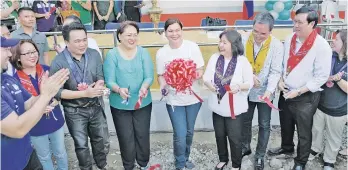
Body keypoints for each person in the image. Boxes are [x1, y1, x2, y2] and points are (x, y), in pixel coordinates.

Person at [267, 6, 332, 170]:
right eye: (294, 21)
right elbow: (284, 63)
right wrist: (281, 79)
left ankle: (301, 161)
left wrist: (300, 91)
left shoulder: (322, 46)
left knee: (303, 131)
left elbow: (321, 77)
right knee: (285, 123)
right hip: (286, 91)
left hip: (305, 96)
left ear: (312, 24)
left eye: (300, 22)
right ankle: (287, 147)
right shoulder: (290, 38)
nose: (295, 25)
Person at [1, 36, 69, 170]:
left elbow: (29, 101)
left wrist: (49, 94)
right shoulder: (16, 77)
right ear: (18, 57)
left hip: (27, 155)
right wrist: (45, 97)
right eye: (5, 49)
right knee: (44, 156)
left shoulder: (7, 80)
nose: (9, 54)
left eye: (34, 51)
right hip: (9, 161)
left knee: (60, 152)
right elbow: (18, 128)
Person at [49, 22, 109, 170]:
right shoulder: (59, 62)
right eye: (77, 41)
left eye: (84, 39)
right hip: (74, 111)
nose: (82, 44)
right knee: (81, 145)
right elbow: (57, 92)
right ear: (67, 42)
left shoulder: (94, 54)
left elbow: (100, 76)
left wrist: (99, 84)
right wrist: (84, 93)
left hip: (95, 106)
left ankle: (102, 165)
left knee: (100, 140)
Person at [103, 21, 154, 170]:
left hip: (142, 102)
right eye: (128, 35)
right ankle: (128, 165)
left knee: (142, 135)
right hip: (120, 104)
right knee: (126, 138)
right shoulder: (112, 54)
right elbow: (109, 80)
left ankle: (143, 163)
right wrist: (118, 89)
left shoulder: (143, 52)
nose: (132, 38)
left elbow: (149, 76)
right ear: (120, 36)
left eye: (135, 35)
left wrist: (145, 87)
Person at [156, 18, 204, 170]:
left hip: (193, 97)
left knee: (189, 132)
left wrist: (190, 76)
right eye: (170, 31)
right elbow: (161, 75)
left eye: (177, 30)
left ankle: (186, 157)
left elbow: (200, 69)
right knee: (180, 134)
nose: (174, 34)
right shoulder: (161, 53)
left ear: (182, 31)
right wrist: (163, 85)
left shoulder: (192, 47)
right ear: (165, 33)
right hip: (174, 99)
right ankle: (180, 164)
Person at [203, 30, 253, 170]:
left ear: (234, 44)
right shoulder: (214, 58)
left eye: (224, 42)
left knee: (235, 138)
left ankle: (236, 165)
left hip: (234, 109)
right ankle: (223, 159)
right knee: (219, 135)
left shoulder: (242, 61)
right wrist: (210, 85)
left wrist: (239, 87)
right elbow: (206, 77)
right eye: (220, 42)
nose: (221, 45)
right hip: (217, 106)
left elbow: (249, 83)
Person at [241, 12, 284, 170]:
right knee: (245, 121)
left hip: (266, 91)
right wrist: (249, 76)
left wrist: (270, 90)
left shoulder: (277, 46)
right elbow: (238, 63)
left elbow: (275, 71)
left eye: (263, 33)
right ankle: (245, 147)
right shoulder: (244, 40)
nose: (258, 36)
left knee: (264, 124)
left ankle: (259, 156)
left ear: (271, 31)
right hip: (245, 89)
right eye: (255, 31)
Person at [308, 29, 347, 170]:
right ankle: (314, 149)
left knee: (334, 137)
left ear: (345, 44)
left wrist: (338, 80)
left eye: (336, 40)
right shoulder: (330, 56)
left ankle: (329, 160)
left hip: (339, 110)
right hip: (321, 105)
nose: (333, 41)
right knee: (317, 130)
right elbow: (318, 74)